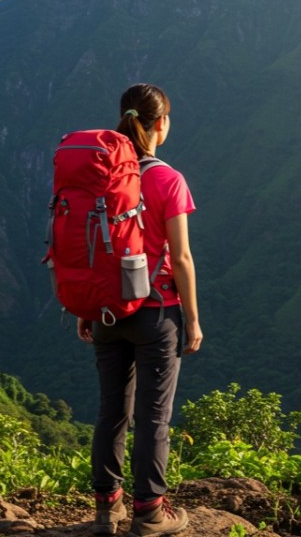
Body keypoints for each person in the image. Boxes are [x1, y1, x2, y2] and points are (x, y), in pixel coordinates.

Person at [79, 83, 203, 537]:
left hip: (106, 310)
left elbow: (88, 244)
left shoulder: (102, 173)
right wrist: (191, 318)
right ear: (160, 124)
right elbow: (182, 257)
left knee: (112, 410)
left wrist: (87, 304)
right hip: (156, 313)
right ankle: (149, 512)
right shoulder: (167, 178)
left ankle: (104, 510)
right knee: (154, 416)